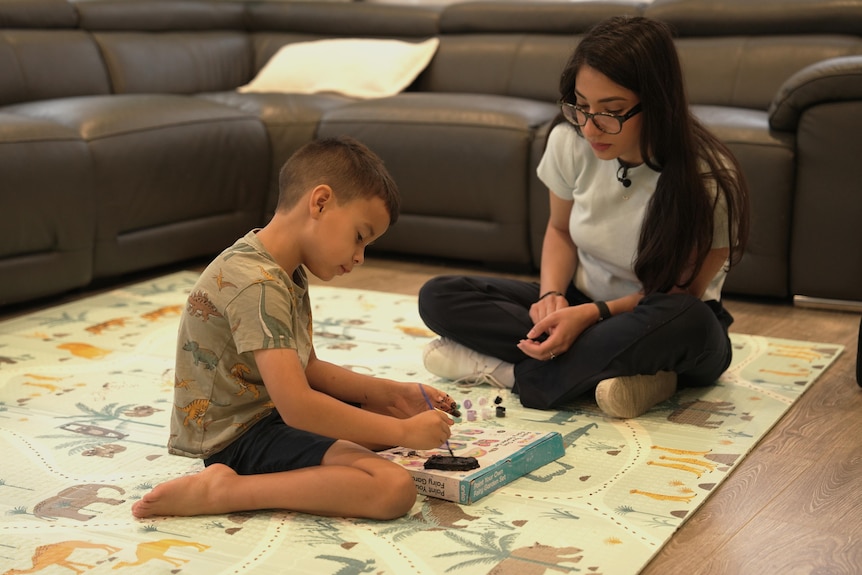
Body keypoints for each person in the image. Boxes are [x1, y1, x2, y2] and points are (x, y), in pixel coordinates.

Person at [418, 16, 750, 418]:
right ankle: (619, 374)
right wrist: (551, 296)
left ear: (658, 102)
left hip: (659, 321)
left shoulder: (706, 179)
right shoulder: (569, 140)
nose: (591, 128)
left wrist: (592, 316)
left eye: (612, 111)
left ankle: (512, 373)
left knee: (689, 321)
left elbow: (681, 296)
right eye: (581, 106)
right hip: (582, 303)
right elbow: (559, 230)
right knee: (440, 295)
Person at [132, 137, 457, 521]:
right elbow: (299, 407)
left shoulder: (283, 271)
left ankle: (372, 429)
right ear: (320, 203)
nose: (359, 257)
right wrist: (403, 435)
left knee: (395, 413)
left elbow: (309, 369)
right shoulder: (258, 284)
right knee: (392, 488)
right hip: (239, 440)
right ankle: (225, 491)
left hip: (270, 415)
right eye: (359, 236)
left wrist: (395, 394)